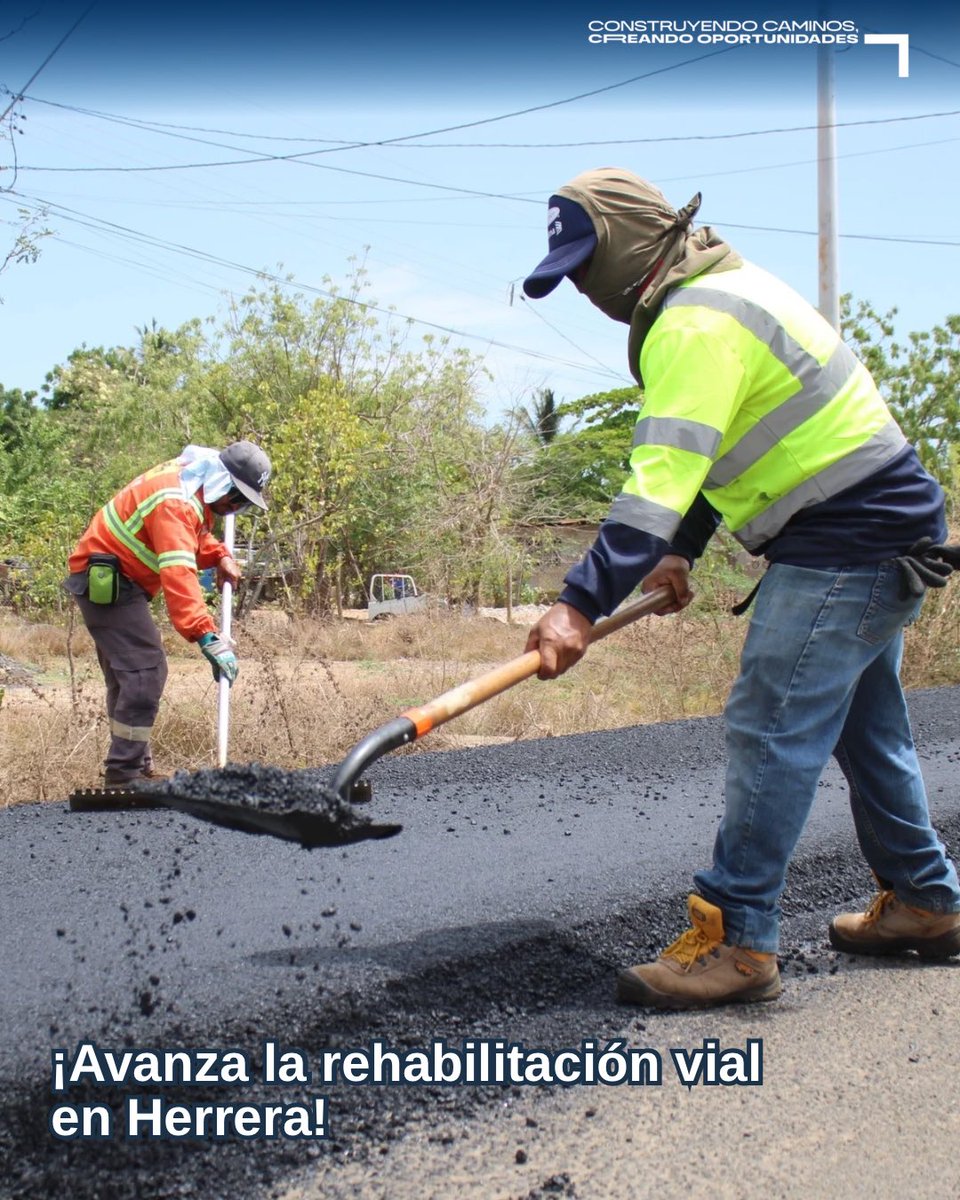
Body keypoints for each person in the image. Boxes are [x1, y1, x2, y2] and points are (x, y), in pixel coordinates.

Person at [522, 167, 960, 1009]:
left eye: (587, 264)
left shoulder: (694, 321)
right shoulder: (718, 294)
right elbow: (714, 455)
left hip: (847, 540)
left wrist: (579, 603)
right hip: (879, 530)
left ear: (636, 243)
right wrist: (680, 550)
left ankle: (737, 937)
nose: (582, 288)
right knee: (867, 734)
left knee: (769, 724)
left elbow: (656, 482)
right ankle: (925, 902)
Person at [64, 440, 272, 792]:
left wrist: (219, 554)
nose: (234, 509)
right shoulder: (174, 501)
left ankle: (134, 768)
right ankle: (123, 774)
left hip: (116, 579)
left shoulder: (188, 484)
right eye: (236, 500)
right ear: (223, 483)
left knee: (128, 676)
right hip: (108, 581)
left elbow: (193, 536)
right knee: (145, 671)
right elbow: (179, 572)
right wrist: (207, 636)